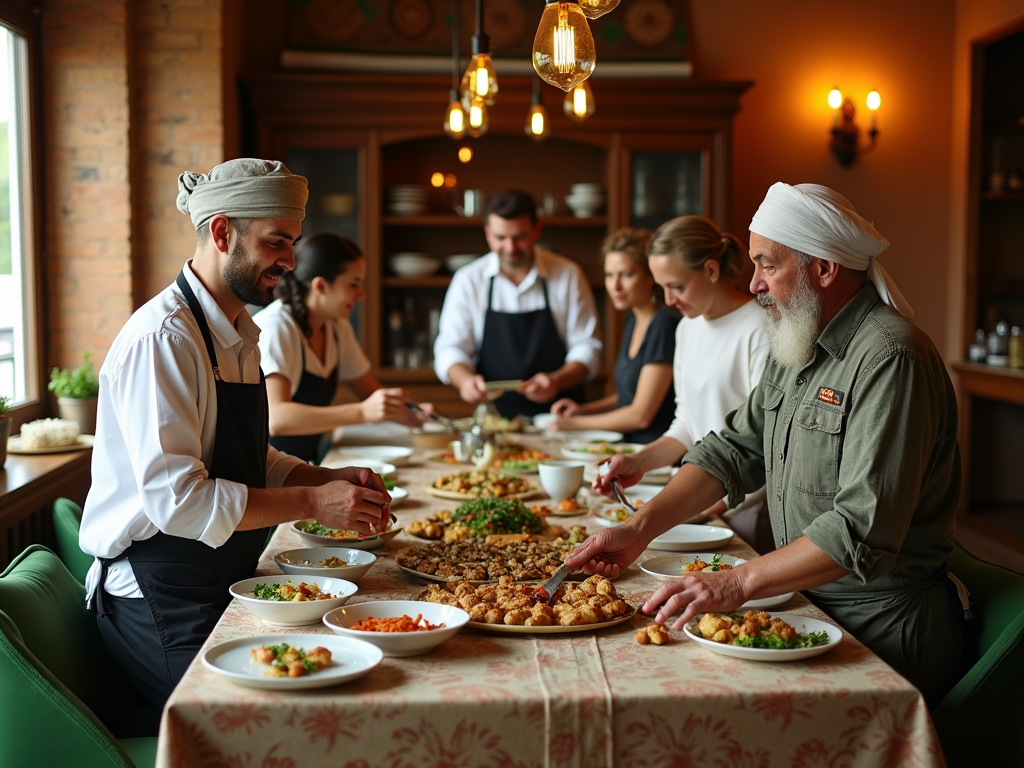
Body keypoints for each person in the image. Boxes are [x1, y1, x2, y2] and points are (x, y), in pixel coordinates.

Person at [569, 182, 964, 707]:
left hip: (881, 629)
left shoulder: (891, 358)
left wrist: (737, 582)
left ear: (824, 268)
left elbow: (858, 530)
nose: (753, 282)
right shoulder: (796, 337)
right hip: (805, 606)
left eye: (767, 265)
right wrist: (638, 528)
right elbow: (732, 450)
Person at [79, 159, 392, 708]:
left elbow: (252, 457)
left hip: (216, 572)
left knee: (327, 685)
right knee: (269, 718)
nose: (290, 261)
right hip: (157, 594)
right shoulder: (164, 340)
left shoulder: (239, 331)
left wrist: (327, 476)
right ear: (222, 233)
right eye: (276, 242)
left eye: (291, 243)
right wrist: (316, 502)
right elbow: (180, 501)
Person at [593, 216, 771, 551]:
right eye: (662, 287)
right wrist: (638, 462)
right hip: (700, 500)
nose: (669, 299)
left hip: (747, 512)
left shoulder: (759, 328)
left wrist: (704, 508)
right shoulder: (687, 328)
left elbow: (766, 446)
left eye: (677, 286)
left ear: (711, 270)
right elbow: (687, 425)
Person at [255, 233, 429, 464]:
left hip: (305, 464)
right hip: (266, 472)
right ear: (321, 286)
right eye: (354, 284)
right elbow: (277, 419)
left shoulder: (336, 325)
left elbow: (371, 393)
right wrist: (363, 412)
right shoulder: (277, 327)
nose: (362, 295)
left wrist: (416, 413)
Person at [433, 189, 602, 418]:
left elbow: (587, 347)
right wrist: (465, 382)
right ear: (488, 234)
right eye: (501, 238)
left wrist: (556, 380)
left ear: (536, 230)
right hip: (494, 419)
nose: (510, 248)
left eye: (519, 237)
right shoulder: (468, 280)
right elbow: (450, 349)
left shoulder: (568, 274)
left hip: (561, 416)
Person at [545, 228, 677, 444]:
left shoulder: (663, 325)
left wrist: (574, 424)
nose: (615, 286)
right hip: (628, 448)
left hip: (653, 454)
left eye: (626, 275)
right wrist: (581, 411)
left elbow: (640, 415)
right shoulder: (633, 320)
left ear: (650, 276)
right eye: (609, 275)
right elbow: (627, 398)